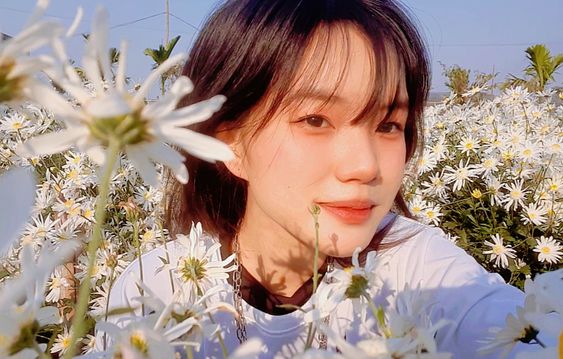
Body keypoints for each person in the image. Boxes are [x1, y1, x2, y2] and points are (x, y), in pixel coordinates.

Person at [101, 0, 536, 357]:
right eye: (315, 119)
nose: (365, 166)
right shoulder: (161, 287)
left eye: (388, 124)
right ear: (228, 144)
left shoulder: (415, 267)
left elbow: (520, 332)